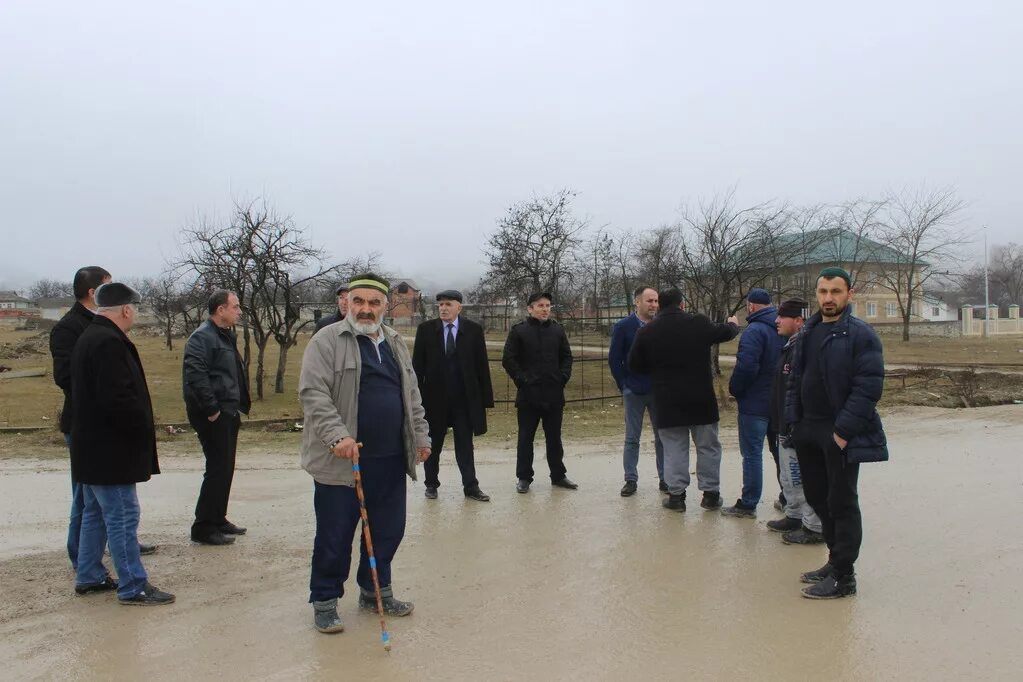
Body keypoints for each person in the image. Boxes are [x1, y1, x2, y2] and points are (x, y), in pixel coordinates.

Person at [299, 273, 431, 634]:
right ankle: (325, 600)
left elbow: (412, 395)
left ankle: (375, 592)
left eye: (374, 303)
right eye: (359, 301)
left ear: (385, 306)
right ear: (347, 303)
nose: (366, 309)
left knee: (389, 530)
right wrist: (337, 436)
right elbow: (314, 393)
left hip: (389, 458)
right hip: (343, 459)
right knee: (335, 534)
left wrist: (421, 436)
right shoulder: (326, 340)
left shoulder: (395, 342)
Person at [785, 267, 888, 599]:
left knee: (841, 502)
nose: (828, 298)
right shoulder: (806, 332)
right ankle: (834, 560)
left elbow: (868, 387)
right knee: (817, 498)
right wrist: (793, 423)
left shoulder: (860, 335)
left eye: (835, 292)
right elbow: (794, 383)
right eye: (823, 292)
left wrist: (842, 432)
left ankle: (844, 577)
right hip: (808, 431)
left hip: (838, 433)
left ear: (849, 294)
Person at [70, 283, 173, 605]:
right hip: (111, 450)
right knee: (122, 516)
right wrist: (139, 429)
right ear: (126, 309)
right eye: (135, 309)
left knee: (95, 514)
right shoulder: (107, 342)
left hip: (91, 447)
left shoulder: (90, 336)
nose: (136, 314)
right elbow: (118, 398)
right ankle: (133, 585)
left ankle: (89, 574)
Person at [49, 265, 156, 570]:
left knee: (99, 504)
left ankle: (90, 569)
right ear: (95, 293)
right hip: (94, 428)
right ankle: (86, 561)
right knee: (91, 503)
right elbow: (70, 378)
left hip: (95, 427)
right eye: (109, 285)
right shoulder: (74, 329)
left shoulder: (97, 329)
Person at [628, 288, 739, 512]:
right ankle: (710, 494)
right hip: (701, 400)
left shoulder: (648, 331)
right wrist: (734, 324)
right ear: (682, 304)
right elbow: (724, 333)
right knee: (708, 447)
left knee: (674, 449)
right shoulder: (697, 322)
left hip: (667, 401)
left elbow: (634, 365)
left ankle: (676, 497)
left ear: (660, 306)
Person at [412, 289, 494, 502]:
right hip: (434, 401)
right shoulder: (426, 330)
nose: (443, 308)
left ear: (459, 307)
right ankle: (431, 484)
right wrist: (415, 399)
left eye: (448, 304)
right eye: (440, 305)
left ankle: (471, 486)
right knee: (433, 445)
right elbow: (417, 368)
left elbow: (481, 367)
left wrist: (485, 400)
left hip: (463, 401)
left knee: (465, 446)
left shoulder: (474, 330)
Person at [183, 290, 251, 546]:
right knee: (217, 468)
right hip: (213, 414)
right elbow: (196, 374)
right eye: (235, 306)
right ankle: (203, 526)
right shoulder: (202, 337)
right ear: (220, 309)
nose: (239, 311)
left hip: (229, 410)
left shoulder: (224, 335)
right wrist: (211, 409)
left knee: (226, 466)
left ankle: (218, 517)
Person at [502, 292, 576, 494]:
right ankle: (524, 477)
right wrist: (522, 380)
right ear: (530, 308)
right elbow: (509, 359)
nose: (545, 309)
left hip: (553, 393)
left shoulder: (558, 330)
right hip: (528, 395)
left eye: (548, 305)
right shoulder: (519, 331)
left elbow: (567, 357)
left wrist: (562, 377)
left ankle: (558, 475)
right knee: (526, 438)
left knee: (554, 438)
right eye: (541, 305)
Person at [722, 288, 784, 518]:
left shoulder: (754, 331)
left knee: (752, 455)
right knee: (781, 453)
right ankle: (789, 498)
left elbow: (747, 367)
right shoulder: (784, 327)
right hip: (779, 403)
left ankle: (748, 503)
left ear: (751, 306)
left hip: (755, 404)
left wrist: (735, 390)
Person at [765, 299, 823, 544]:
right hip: (783, 424)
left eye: (782, 316)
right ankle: (795, 515)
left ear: (798, 320)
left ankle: (814, 528)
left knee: (804, 476)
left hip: (797, 426)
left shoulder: (807, 348)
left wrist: (796, 423)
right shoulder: (790, 346)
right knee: (789, 477)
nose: (776, 321)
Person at [608, 285, 665, 496]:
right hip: (634, 390)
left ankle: (665, 478)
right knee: (632, 437)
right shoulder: (624, 326)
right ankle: (630, 479)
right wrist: (624, 384)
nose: (654, 305)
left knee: (662, 436)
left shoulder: (661, 325)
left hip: (658, 390)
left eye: (656, 301)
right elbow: (615, 358)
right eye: (649, 301)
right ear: (637, 302)